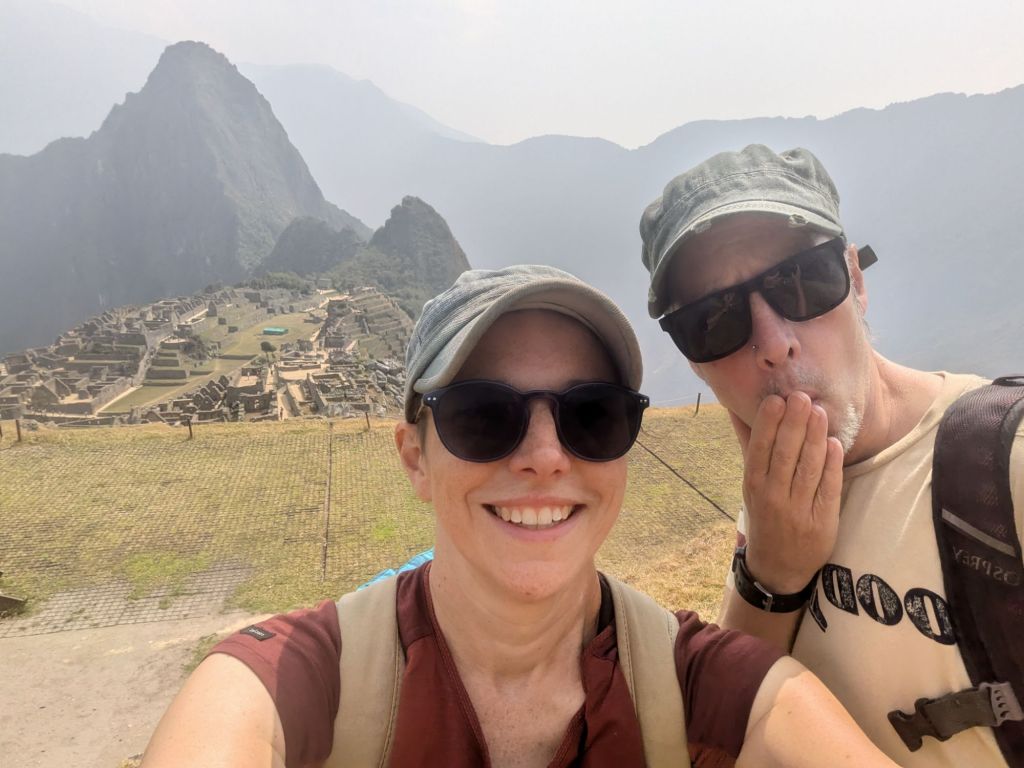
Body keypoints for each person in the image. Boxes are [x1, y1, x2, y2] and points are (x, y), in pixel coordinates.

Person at [141, 265, 898, 767]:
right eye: (482, 415)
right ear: (415, 457)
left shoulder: (701, 685)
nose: (544, 456)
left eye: (591, 415)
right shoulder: (294, 684)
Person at [639, 144, 1024, 767]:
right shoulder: (775, 484)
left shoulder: (1006, 463)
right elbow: (728, 727)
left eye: (800, 280)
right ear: (693, 361)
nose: (773, 343)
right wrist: (770, 573)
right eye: (714, 320)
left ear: (856, 281)